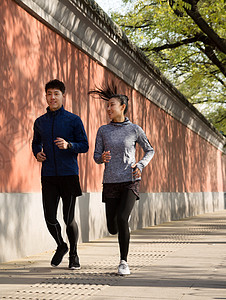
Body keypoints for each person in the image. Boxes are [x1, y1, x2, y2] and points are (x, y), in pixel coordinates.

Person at [89, 84, 154, 275]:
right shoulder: (103, 130)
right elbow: (96, 156)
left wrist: (140, 165)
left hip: (129, 180)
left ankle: (123, 262)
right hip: (110, 182)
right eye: (107, 106)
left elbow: (150, 150)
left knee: (123, 218)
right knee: (112, 226)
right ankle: (120, 228)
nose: (108, 109)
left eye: (112, 105)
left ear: (122, 107)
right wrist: (102, 158)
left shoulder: (134, 129)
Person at [32, 79, 89, 270]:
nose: (52, 97)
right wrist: (37, 153)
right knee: (49, 217)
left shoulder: (73, 120)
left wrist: (69, 145)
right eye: (49, 94)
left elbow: (85, 145)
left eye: (56, 93)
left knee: (68, 218)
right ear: (46, 96)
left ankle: (74, 254)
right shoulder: (40, 122)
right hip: (48, 175)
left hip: (69, 175)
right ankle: (61, 245)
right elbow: (35, 143)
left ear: (63, 96)